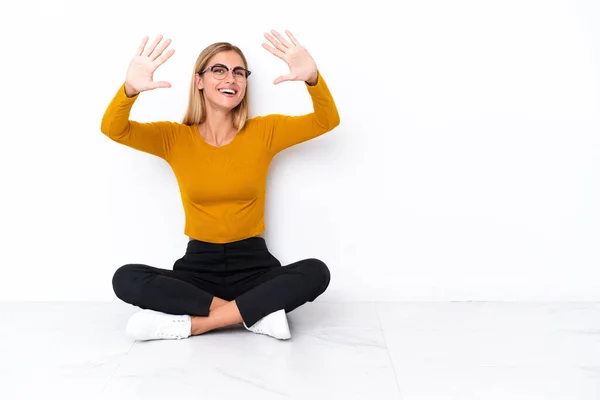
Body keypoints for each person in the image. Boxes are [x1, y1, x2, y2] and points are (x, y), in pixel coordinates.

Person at [101, 29, 340, 342]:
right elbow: (113, 129)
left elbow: (327, 120)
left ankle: (196, 324)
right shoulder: (175, 138)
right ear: (198, 80)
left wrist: (312, 79)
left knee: (316, 271)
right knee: (125, 278)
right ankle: (255, 314)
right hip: (197, 270)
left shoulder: (264, 131)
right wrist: (130, 90)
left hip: (254, 267)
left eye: (239, 72)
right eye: (219, 70)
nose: (232, 78)